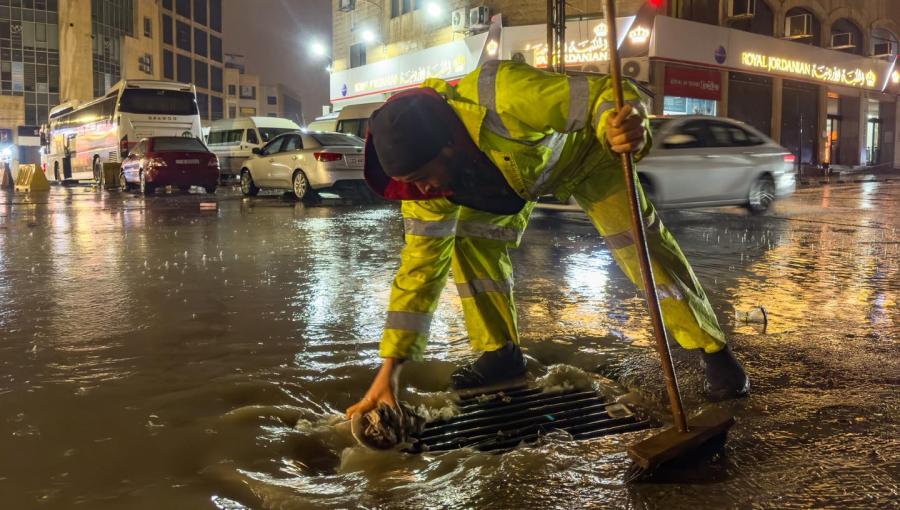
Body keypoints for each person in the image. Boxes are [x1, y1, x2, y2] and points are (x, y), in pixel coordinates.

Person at [346, 61, 749, 420]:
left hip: (589, 159)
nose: (423, 189)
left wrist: (623, 122)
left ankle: (714, 353)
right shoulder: (426, 191)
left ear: (447, 146)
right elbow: (418, 275)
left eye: (422, 178)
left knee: (641, 248)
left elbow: (607, 93)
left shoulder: (504, 93)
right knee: (468, 243)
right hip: (512, 180)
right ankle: (501, 354)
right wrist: (388, 375)